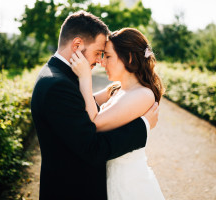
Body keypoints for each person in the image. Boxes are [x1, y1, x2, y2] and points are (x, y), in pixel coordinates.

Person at [31, 11, 159, 200]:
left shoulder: (59, 77)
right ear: (77, 45)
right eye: (99, 53)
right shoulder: (58, 86)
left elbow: (80, 107)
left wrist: (93, 88)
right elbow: (92, 147)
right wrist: (143, 126)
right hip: (72, 191)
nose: (100, 61)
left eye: (105, 55)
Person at [70, 28, 165, 199]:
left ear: (128, 57)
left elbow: (95, 122)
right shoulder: (115, 89)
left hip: (129, 185)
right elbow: (85, 102)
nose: (102, 62)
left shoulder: (143, 95)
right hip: (107, 178)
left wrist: (85, 77)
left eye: (107, 56)